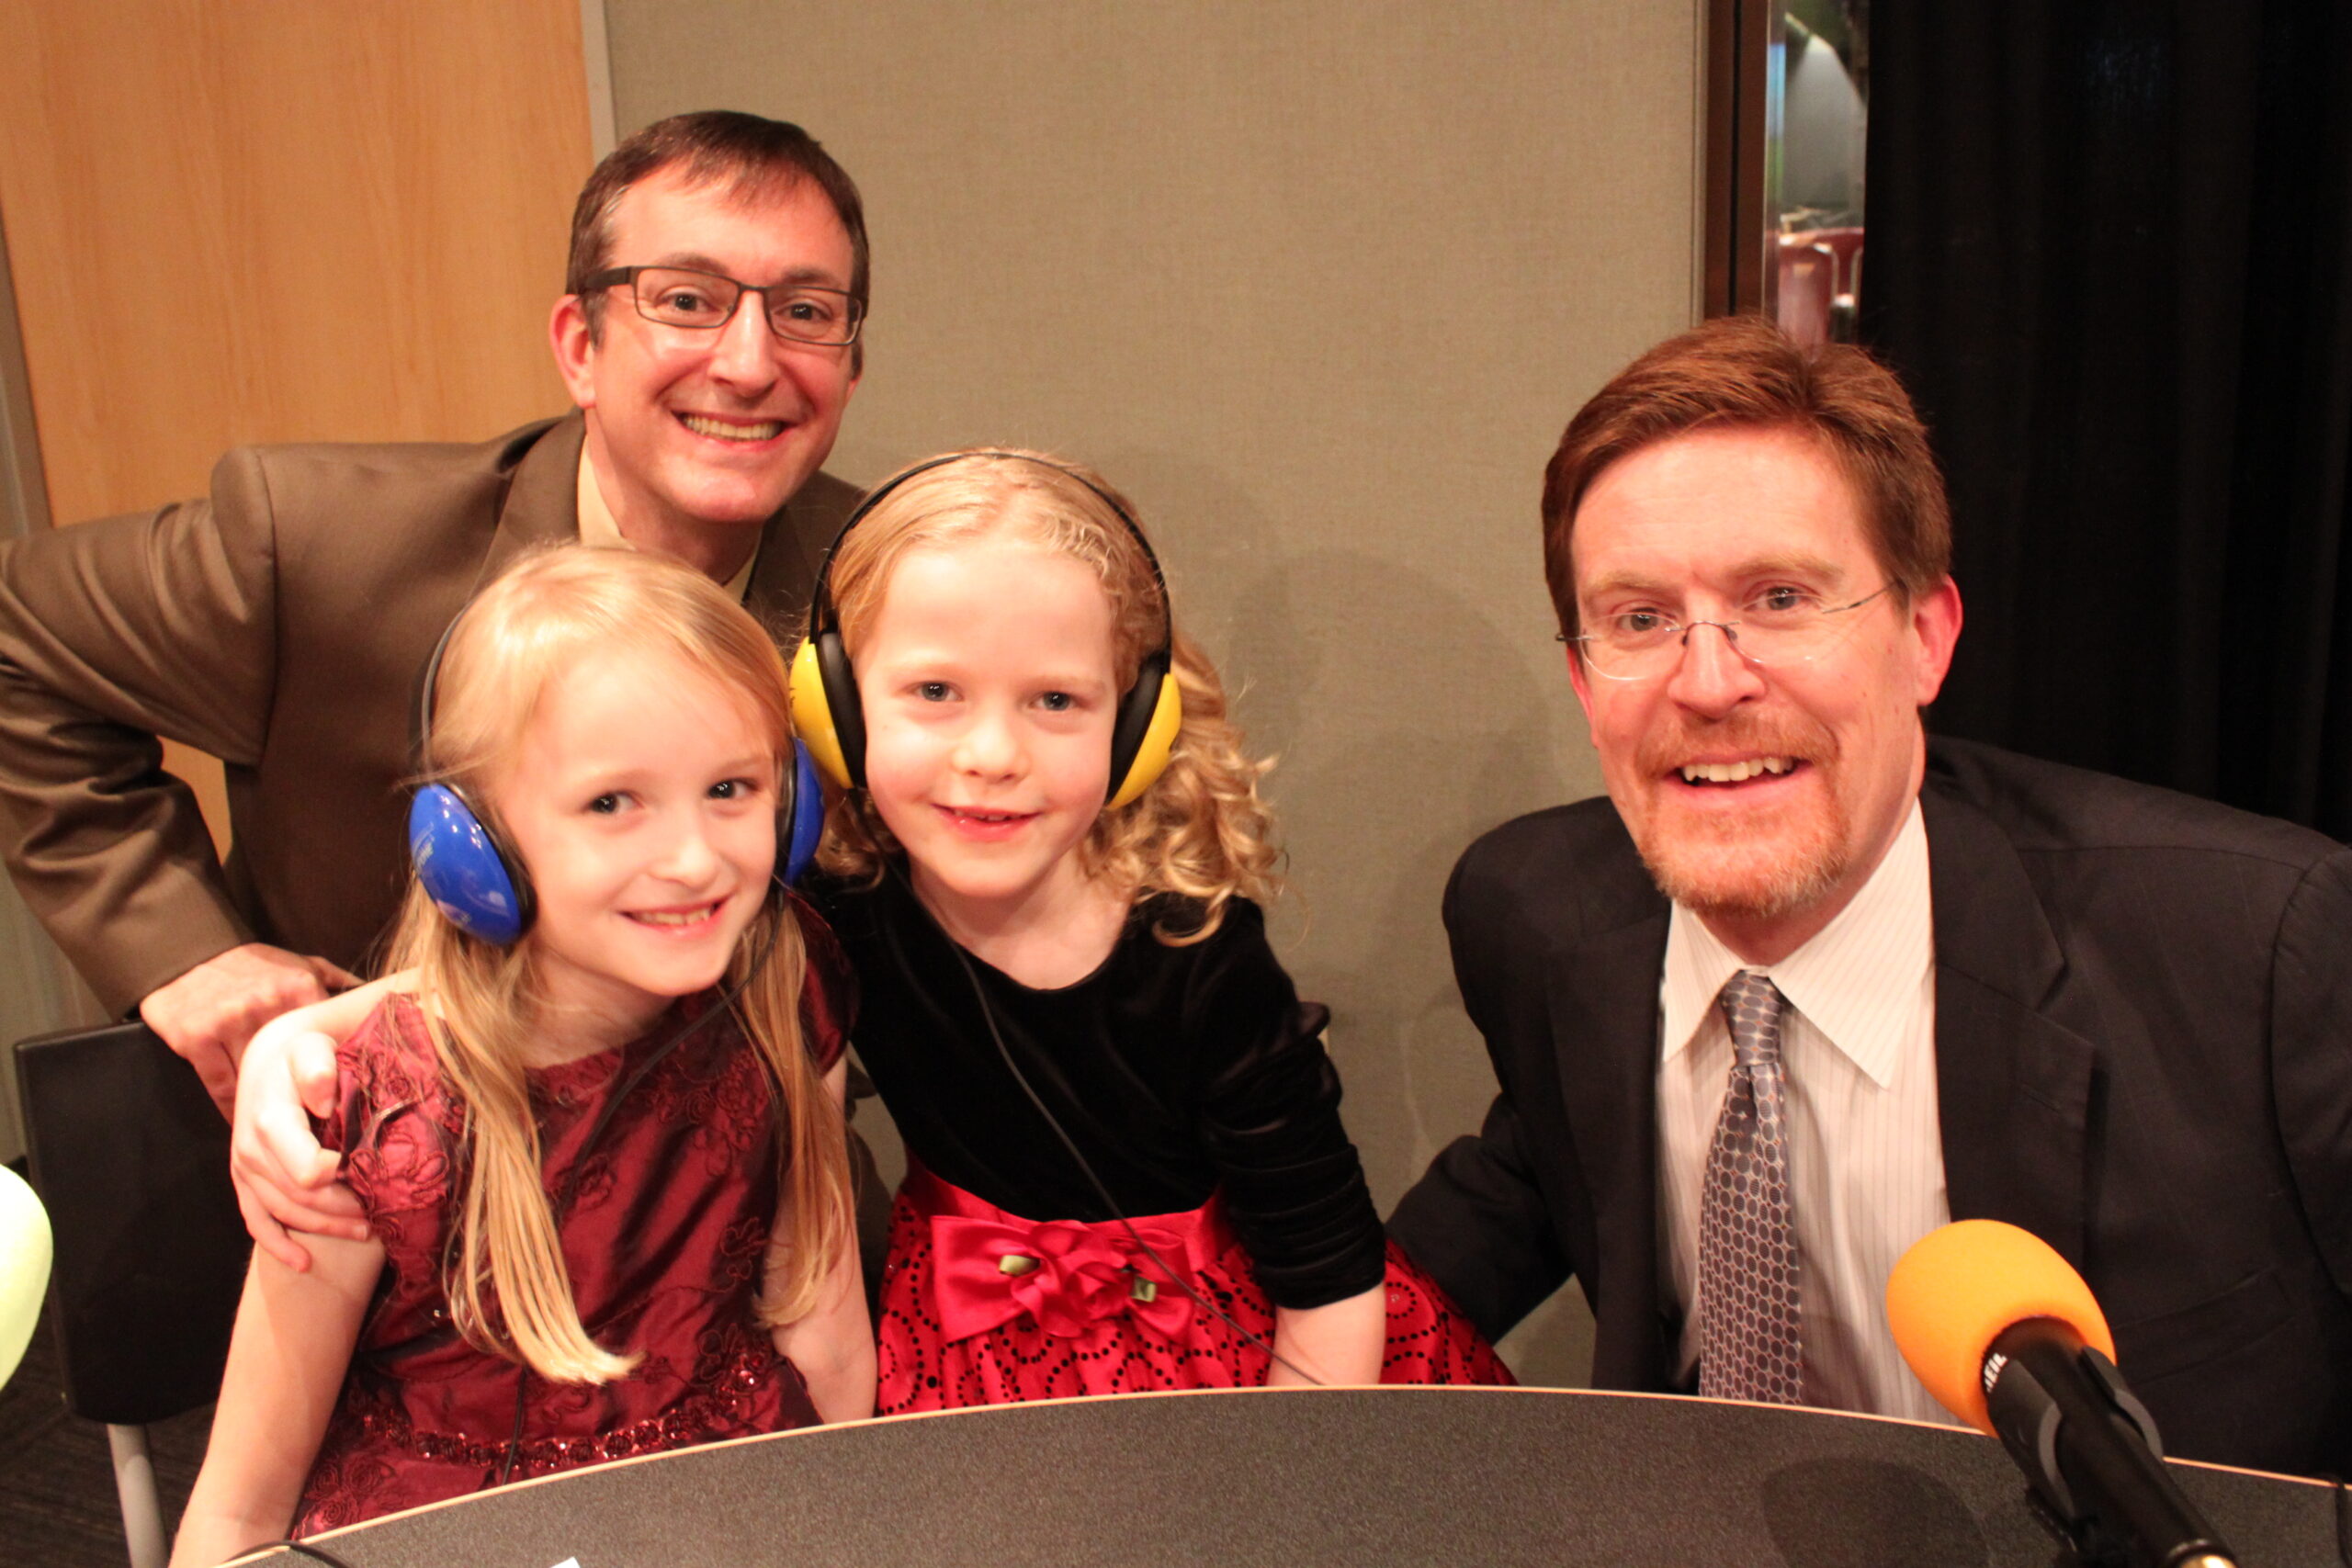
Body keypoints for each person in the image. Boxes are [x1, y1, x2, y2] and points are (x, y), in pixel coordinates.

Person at [1387, 314, 2352, 1476]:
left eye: (1781, 598)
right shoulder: (1536, 917)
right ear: (1584, 680)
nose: (1706, 682)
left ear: (1924, 638)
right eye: (1639, 621)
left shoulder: (2255, 952)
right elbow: (1542, 1166)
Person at [0, 109, 865, 1120]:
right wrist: (184, 952)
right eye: (686, 300)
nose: (750, 362)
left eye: (806, 311)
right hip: (366, 1181)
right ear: (580, 345)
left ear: (850, 362)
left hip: (746, 1182)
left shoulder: (893, 586)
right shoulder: (323, 545)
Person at [168, 547, 869, 1568]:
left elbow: (828, 1339)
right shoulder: (375, 1113)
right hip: (457, 1539)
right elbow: (241, 1509)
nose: (693, 858)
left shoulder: (780, 985)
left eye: (730, 788)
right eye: (611, 804)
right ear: (472, 847)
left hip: (734, 1510)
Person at [792, 449, 1509, 1406]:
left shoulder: (1197, 955)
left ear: (1136, 724)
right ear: (835, 705)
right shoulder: (836, 912)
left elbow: (1330, 1280)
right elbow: (809, 1246)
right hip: (970, 1340)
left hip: (1241, 1364)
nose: (992, 754)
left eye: (1055, 701)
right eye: (933, 692)